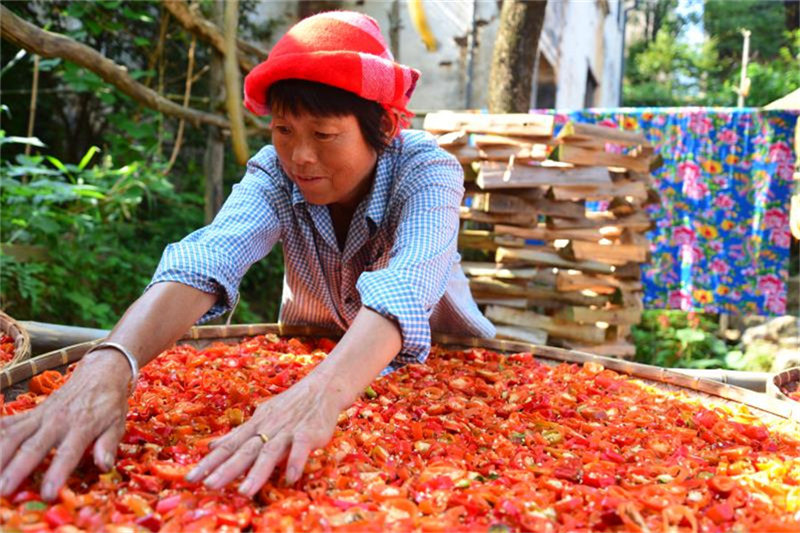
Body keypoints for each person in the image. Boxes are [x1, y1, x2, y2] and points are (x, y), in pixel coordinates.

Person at [0, 11, 494, 501]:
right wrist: (109, 364)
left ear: (383, 126)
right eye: (283, 130)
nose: (299, 156)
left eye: (322, 134)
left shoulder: (428, 170)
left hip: (445, 377)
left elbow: (407, 283)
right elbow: (212, 254)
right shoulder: (274, 174)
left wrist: (318, 395)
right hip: (315, 359)